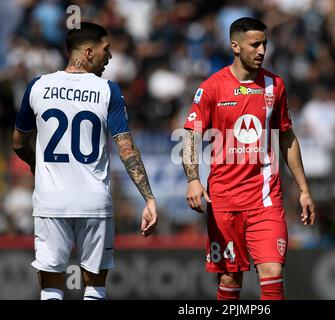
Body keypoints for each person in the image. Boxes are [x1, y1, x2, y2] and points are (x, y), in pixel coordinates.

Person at [12, 22, 158, 300]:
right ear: (89, 52)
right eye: (106, 50)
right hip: (94, 203)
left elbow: (18, 142)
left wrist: (37, 165)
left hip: (50, 200)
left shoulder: (38, 86)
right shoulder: (108, 90)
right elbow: (126, 149)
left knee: (51, 288)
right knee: (95, 288)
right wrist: (148, 198)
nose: (110, 57)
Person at [182, 17, 315, 300]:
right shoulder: (212, 88)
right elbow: (191, 136)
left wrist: (304, 189)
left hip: (265, 200)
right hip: (224, 201)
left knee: (272, 272)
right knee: (230, 278)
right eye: (255, 44)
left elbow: (287, 137)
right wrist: (193, 179)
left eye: (265, 43)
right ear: (235, 46)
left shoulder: (274, 85)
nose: (262, 50)